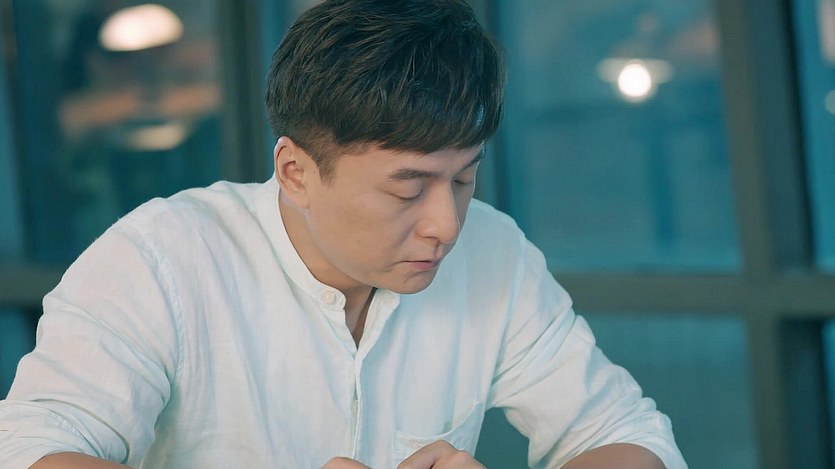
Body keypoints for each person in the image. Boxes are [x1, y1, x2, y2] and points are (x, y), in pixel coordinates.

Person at [0, 0, 687, 467]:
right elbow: (32, 446)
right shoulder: (161, 258)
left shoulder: (493, 252)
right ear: (295, 172)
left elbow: (622, 434)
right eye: (407, 188)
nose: (446, 225)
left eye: (463, 178)